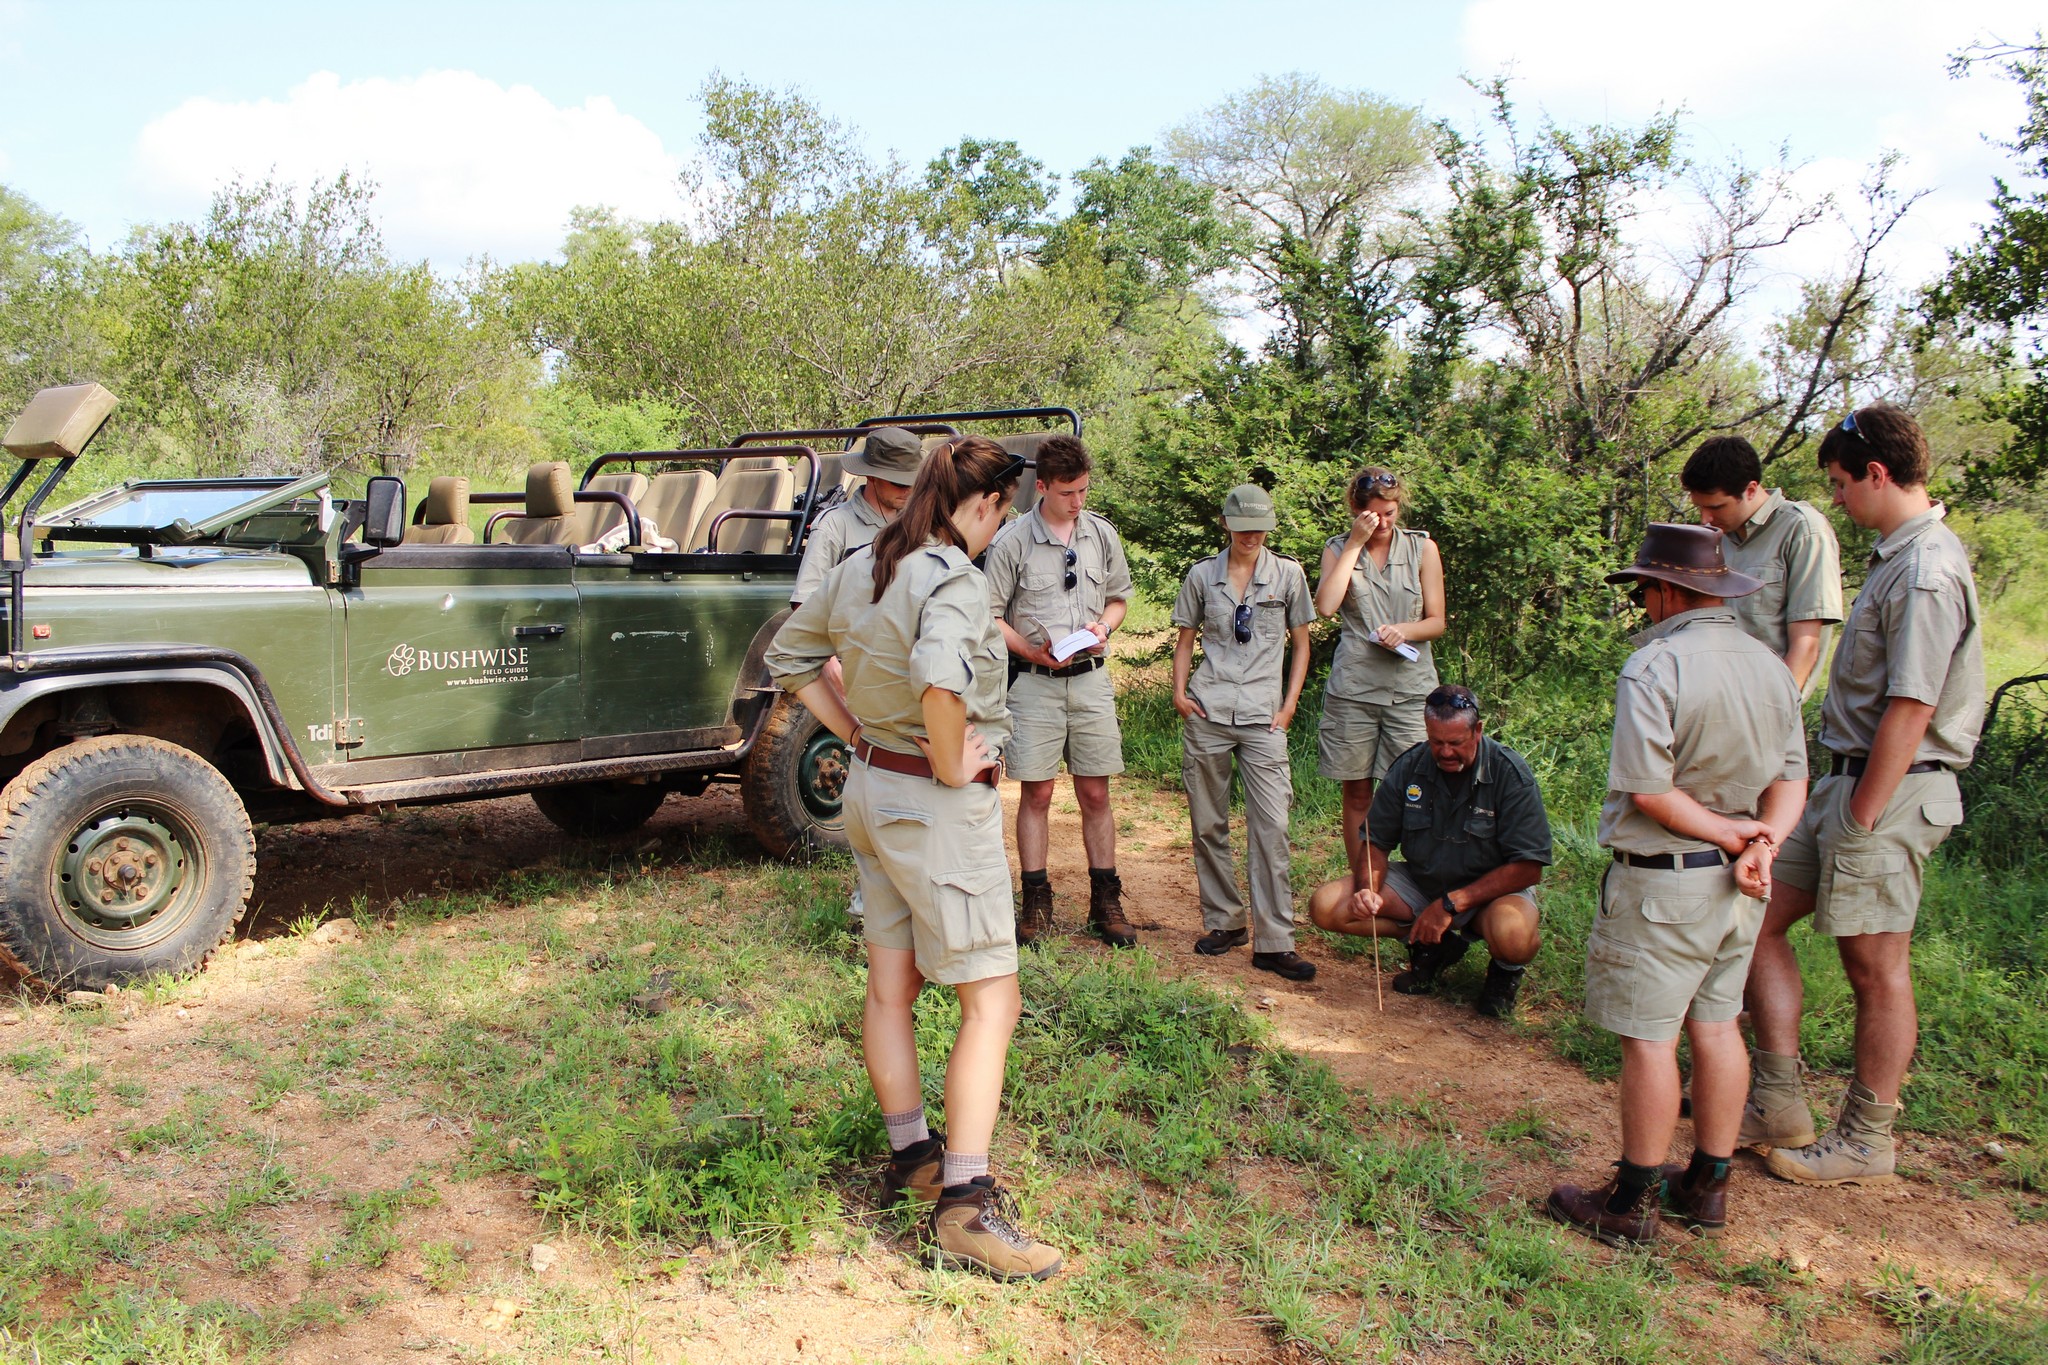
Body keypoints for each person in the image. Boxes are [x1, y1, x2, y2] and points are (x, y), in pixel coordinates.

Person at [765, 436, 1061, 1281]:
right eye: (1003, 511)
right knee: (990, 1000)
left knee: (891, 987)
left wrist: (854, 730)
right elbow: (941, 682)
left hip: (867, 792)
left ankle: (912, 1157)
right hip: (931, 806)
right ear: (986, 505)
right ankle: (966, 1205)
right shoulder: (955, 579)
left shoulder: (866, 561)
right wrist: (943, 762)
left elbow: (790, 655)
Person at [1741, 404, 1982, 1187]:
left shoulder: (1926, 568)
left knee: (1876, 966)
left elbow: (1913, 703)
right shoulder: (1896, 556)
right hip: (1848, 781)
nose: (1837, 499)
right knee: (1757, 916)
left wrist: (1865, 811)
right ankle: (1776, 1098)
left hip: (1891, 789)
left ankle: (1866, 1137)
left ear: (1878, 473)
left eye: (1843, 484)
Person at [1547, 523, 1808, 1246]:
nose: (1643, 605)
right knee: (1719, 1024)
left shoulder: (1656, 666)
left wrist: (1730, 835)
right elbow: (1792, 779)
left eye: (1644, 591)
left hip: (1666, 881)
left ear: (1667, 590)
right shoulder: (1769, 666)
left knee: (1651, 1039)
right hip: (1738, 886)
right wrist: (1762, 841)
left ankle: (1630, 1199)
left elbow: (1648, 792)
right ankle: (1707, 1183)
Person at [1305, 685, 1552, 1019]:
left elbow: (1528, 868)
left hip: (1488, 894)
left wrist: (1450, 904)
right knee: (1327, 906)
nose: (1445, 752)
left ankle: (1504, 973)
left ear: (1477, 731)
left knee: (1514, 935)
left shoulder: (1509, 773)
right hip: (1423, 883)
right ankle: (1430, 945)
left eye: (1455, 743)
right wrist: (1368, 891)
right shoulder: (1411, 766)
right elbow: (1376, 841)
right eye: (1437, 742)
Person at [981, 435, 1137, 948]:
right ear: (1041, 486)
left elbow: (1118, 598)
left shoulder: (1100, 535)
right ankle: (1036, 900)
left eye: (1084, 491)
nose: (1077, 502)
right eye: (1068, 492)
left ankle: (1106, 900)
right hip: (1036, 683)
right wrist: (1029, 651)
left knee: (1096, 792)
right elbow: (991, 615)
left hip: (1091, 681)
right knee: (1038, 792)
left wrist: (1104, 628)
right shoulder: (1011, 541)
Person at [1171, 485, 1318, 982]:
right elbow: (1186, 637)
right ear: (1225, 525)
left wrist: (1291, 702)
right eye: (1243, 528)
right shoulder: (1201, 577)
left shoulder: (1289, 575)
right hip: (1208, 709)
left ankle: (1275, 940)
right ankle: (1225, 921)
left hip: (1263, 716)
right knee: (1208, 823)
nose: (1252, 536)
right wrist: (1179, 692)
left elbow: (1302, 643)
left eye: (1260, 528)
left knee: (1271, 826)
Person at [1314, 467, 1447, 872]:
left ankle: (1418, 880)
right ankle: (1365, 885)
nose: (1384, 523)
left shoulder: (1423, 549)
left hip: (1410, 692)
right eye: (1374, 515)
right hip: (1354, 692)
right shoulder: (1338, 549)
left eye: (1391, 513)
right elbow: (1325, 606)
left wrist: (1403, 630)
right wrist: (1356, 542)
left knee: (1416, 790)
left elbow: (1436, 621)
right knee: (1356, 795)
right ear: (1356, 510)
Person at [1681, 435, 1844, 696]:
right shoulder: (1716, 537)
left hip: (1768, 708)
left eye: (1716, 507)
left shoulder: (1803, 530)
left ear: (1751, 489)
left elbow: (1806, 644)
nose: (1705, 519)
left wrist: (1775, 712)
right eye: (1699, 507)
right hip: (1716, 702)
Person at [790, 426, 925, 608]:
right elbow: (804, 607)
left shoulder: (921, 525)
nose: (908, 490)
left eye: (913, 481)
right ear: (871, 476)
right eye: (899, 482)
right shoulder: (834, 525)